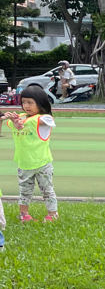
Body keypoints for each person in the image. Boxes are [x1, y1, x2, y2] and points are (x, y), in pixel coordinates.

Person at [1, 84, 60, 223]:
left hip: (43, 163)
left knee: (47, 190)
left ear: (40, 103)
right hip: (24, 163)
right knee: (24, 191)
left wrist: (19, 121)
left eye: (30, 102)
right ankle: (23, 214)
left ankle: (52, 214)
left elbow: (49, 121)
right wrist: (12, 120)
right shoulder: (20, 117)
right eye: (23, 102)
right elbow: (12, 123)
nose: (26, 106)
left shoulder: (44, 118)